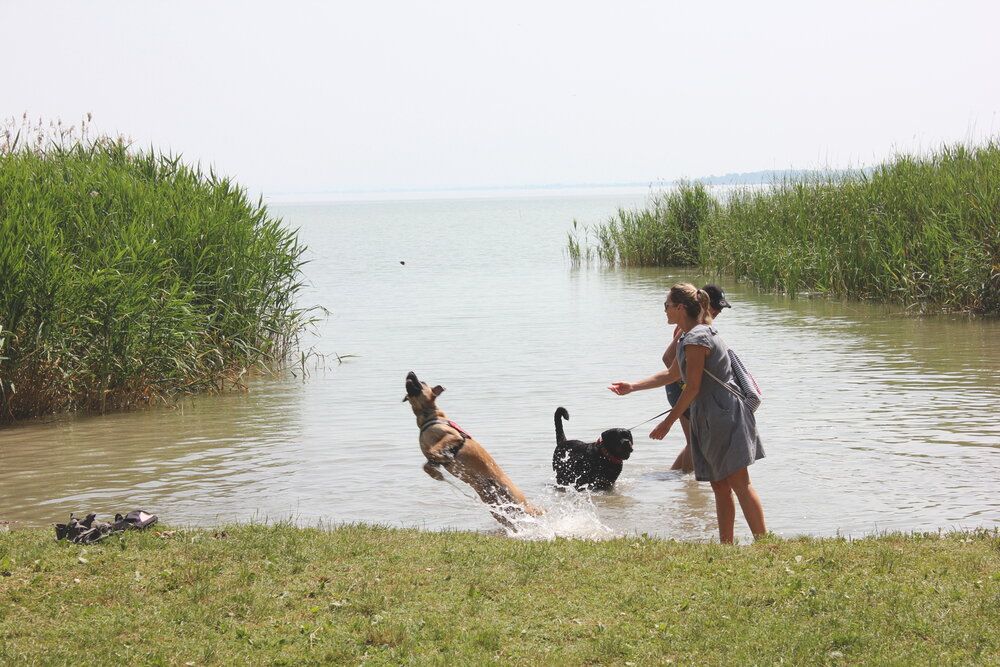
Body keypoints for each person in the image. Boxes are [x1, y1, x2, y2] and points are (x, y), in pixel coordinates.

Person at [608, 283, 766, 544]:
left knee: (739, 482)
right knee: (719, 485)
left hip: (723, 415)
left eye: (667, 306)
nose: (665, 311)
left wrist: (667, 423)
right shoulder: (690, 335)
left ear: (680, 307)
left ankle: (764, 543)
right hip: (712, 414)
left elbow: (691, 387)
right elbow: (672, 373)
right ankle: (726, 545)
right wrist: (633, 386)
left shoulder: (696, 338)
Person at [663, 284, 731, 472]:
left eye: (721, 308)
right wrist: (688, 384)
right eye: (716, 307)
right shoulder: (690, 329)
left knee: (693, 443)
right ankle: (688, 488)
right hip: (680, 388)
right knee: (694, 443)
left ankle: (672, 479)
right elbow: (668, 358)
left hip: (685, 386)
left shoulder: (702, 328)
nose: (718, 311)